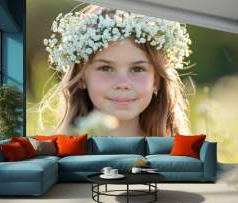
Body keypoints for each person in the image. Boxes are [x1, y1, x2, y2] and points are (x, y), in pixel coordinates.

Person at [40, 5, 192, 136]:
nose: (123, 84)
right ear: (82, 78)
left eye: (137, 69)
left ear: (156, 80)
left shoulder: (174, 154)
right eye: (106, 68)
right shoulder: (60, 154)